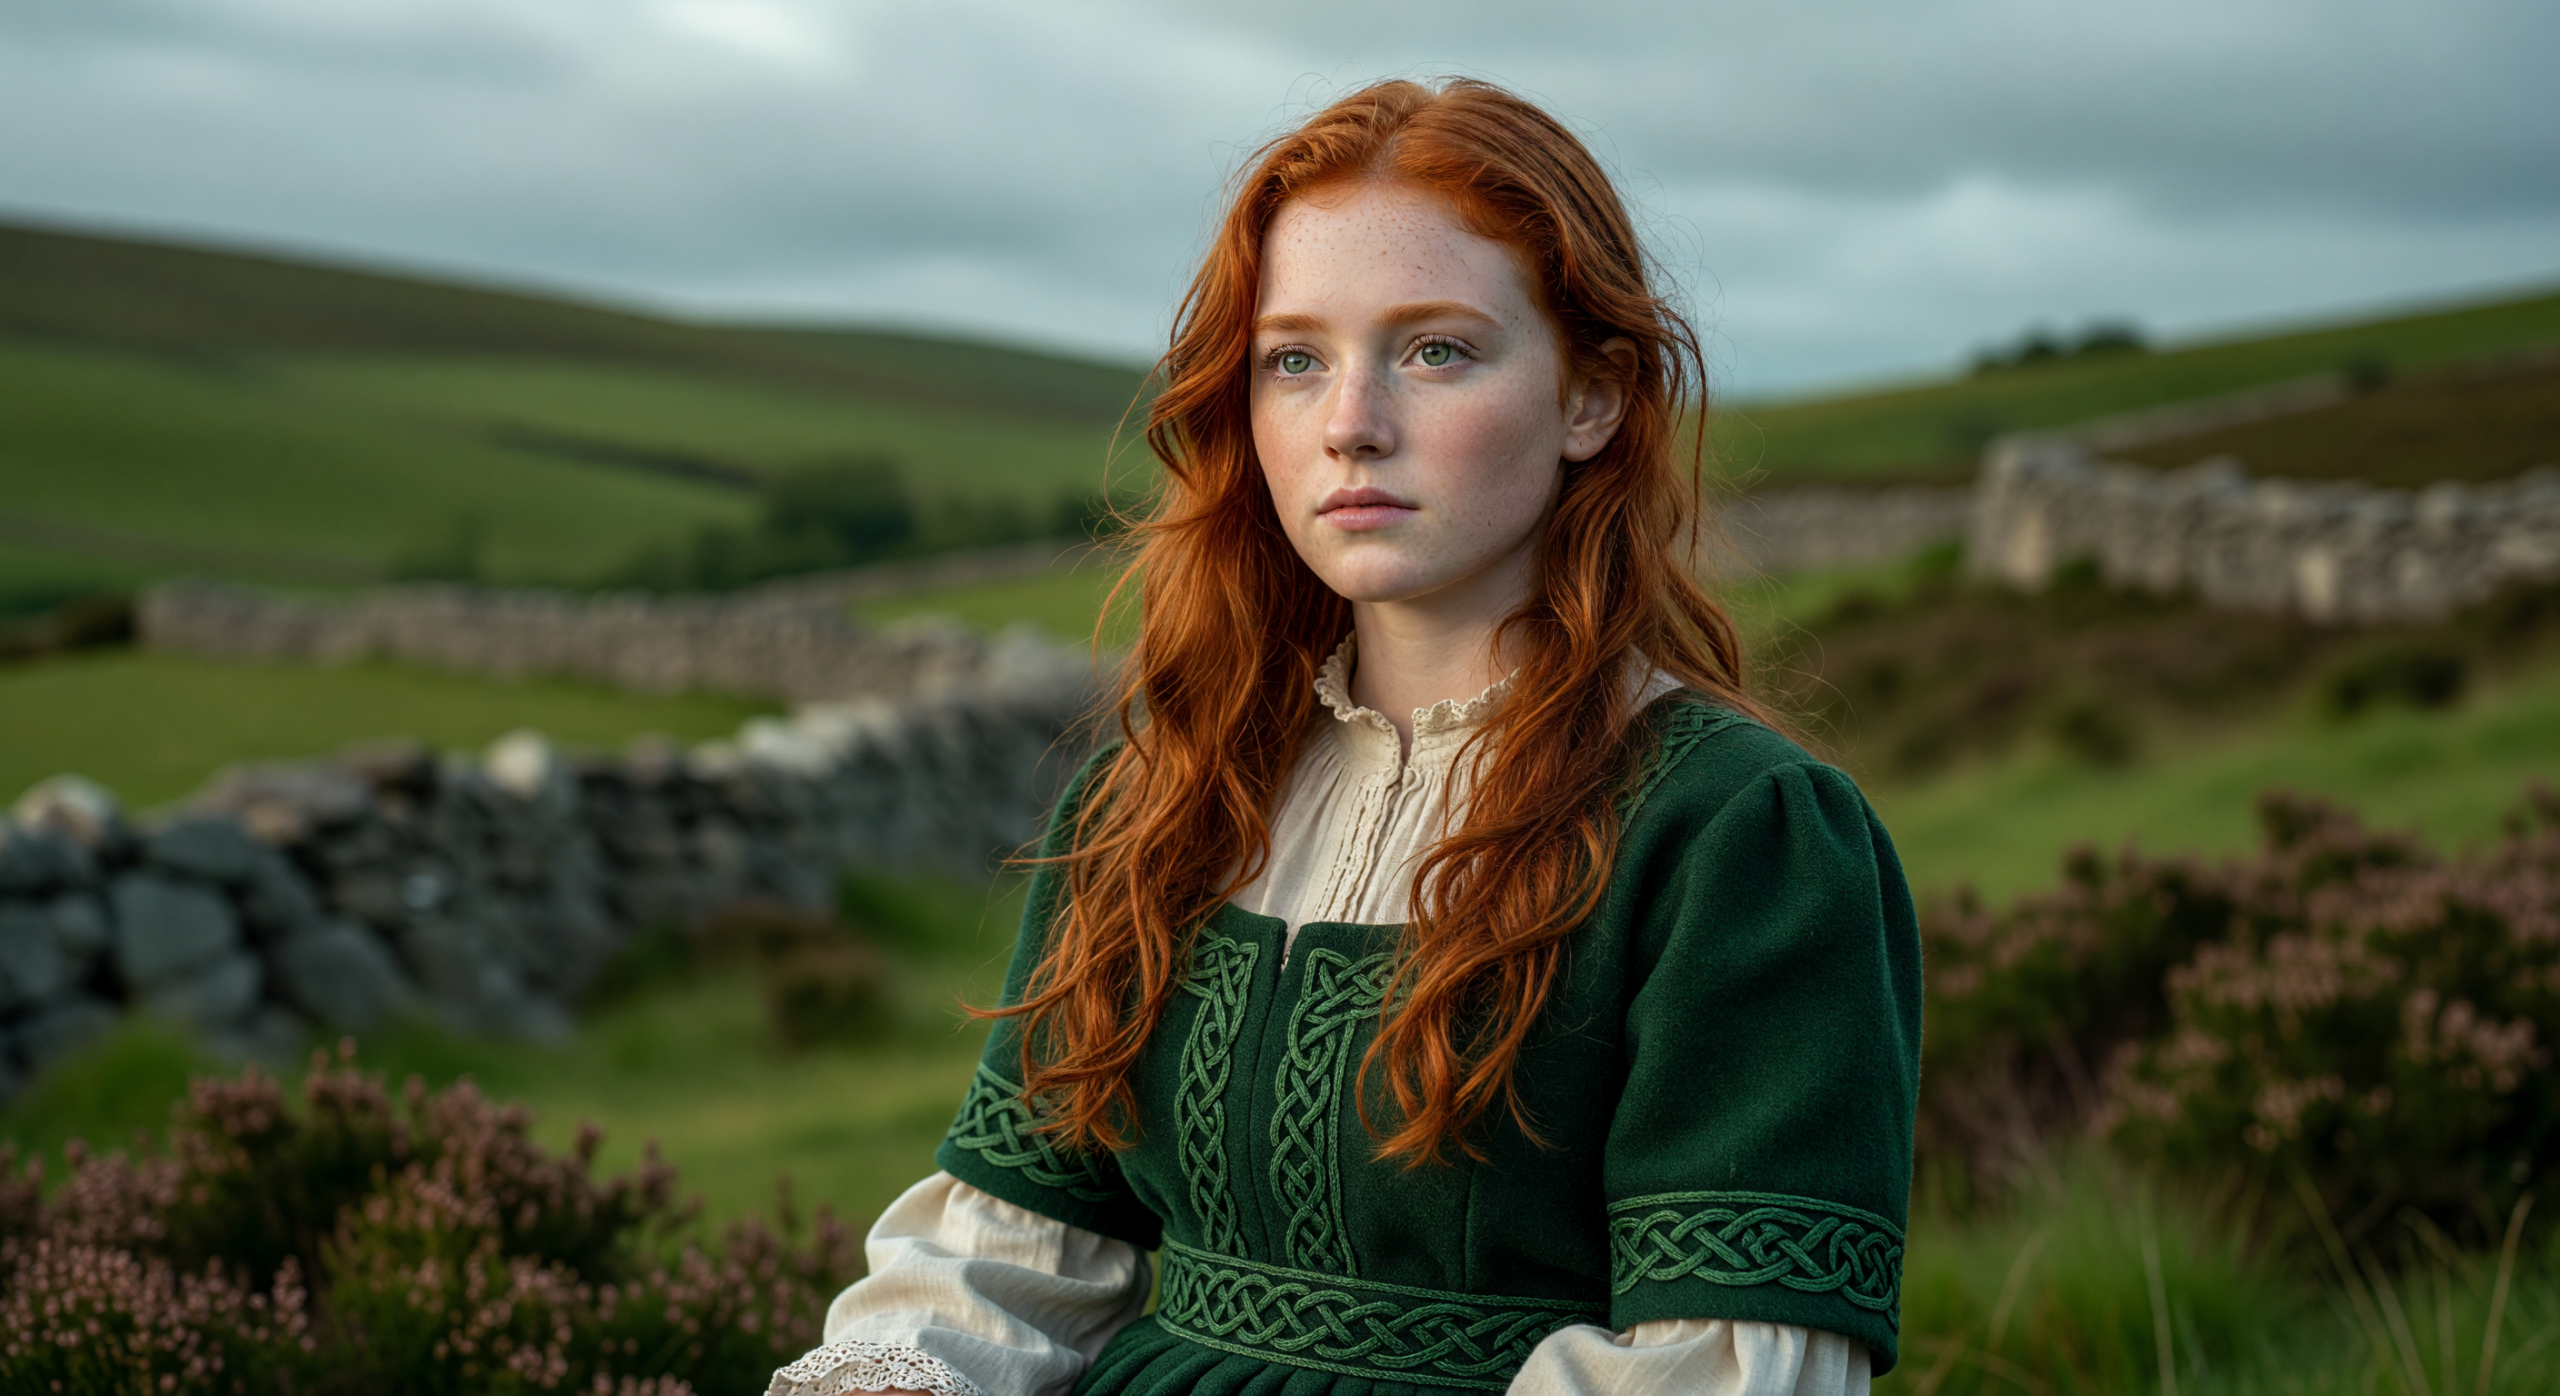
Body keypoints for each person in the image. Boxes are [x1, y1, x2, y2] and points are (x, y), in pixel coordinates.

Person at [768, 76, 1920, 1396]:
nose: (1350, 423)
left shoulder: (1740, 838)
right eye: (1294, 359)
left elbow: (1730, 1365)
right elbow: (1001, 1263)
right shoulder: (1160, 797)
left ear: (1593, 399)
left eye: (1437, 351)